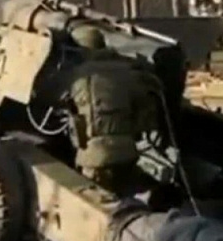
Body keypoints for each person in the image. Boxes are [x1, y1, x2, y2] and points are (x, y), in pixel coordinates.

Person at [60, 25, 163, 198]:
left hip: (93, 158)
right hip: (126, 153)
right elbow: (146, 107)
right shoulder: (127, 72)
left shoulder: (77, 76)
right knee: (126, 201)